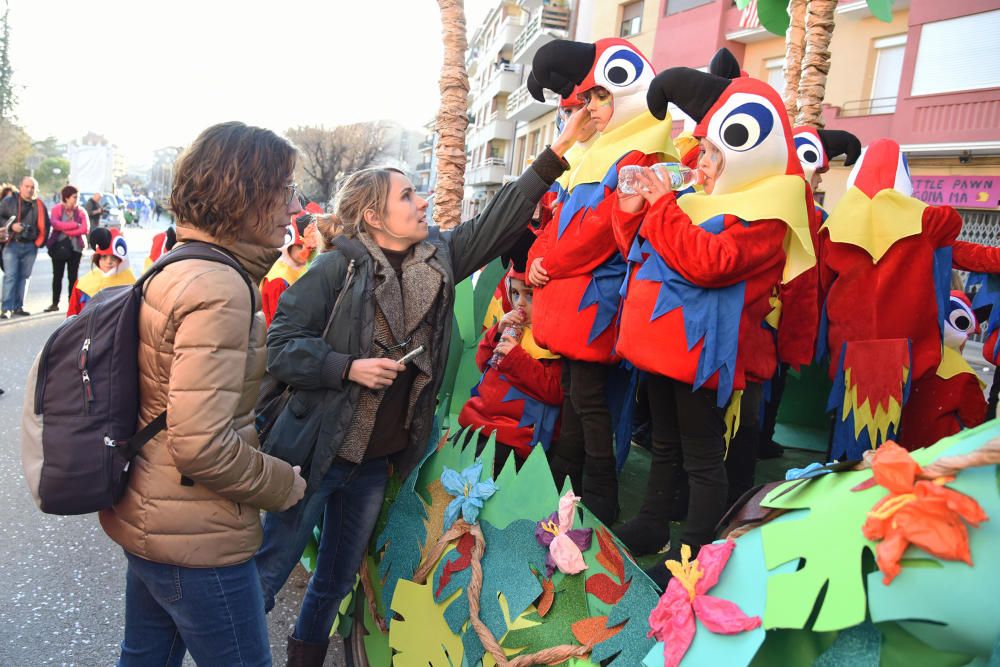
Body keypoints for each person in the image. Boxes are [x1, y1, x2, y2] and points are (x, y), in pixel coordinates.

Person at [255, 110, 580, 666]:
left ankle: (302, 660)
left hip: (375, 464)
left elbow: (498, 221)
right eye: (408, 196)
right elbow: (281, 346)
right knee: (268, 571)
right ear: (374, 217)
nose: (423, 202)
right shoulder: (335, 270)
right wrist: (346, 366)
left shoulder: (440, 258)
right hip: (314, 455)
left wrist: (556, 153)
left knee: (335, 580)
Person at [98, 122, 307, 667]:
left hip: (153, 513)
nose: (293, 207)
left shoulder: (179, 264)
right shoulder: (220, 288)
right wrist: (284, 485)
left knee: (144, 657)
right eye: (284, 190)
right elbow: (201, 443)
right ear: (246, 194)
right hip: (199, 537)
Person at [613, 60, 814, 586]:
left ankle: (694, 554)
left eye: (709, 153)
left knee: (702, 457)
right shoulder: (699, 201)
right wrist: (634, 207)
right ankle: (654, 523)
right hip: (663, 349)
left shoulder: (769, 213)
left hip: (703, 355)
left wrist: (661, 208)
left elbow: (709, 262)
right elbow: (638, 249)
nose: (699, 164)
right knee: (665, 443)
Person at [525, 38, 678, 525]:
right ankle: (562, 488)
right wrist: (536, 259)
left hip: (597, 299)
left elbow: (603, 235)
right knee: (576, 397)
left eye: (598, 95)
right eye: (587, 97)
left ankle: (600, 501)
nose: (589, 106)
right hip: (570, 299)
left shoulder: (644, 151)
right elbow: (557, 220)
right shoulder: (599, 152)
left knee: (590, 405)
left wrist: (552, 263)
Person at [458, 230, 562, 472]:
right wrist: (495, 333)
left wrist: (516, 357)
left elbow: (554, 391)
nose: (519, 303)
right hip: (477, 419)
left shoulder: (550, 341)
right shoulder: (513, 327)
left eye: (530, 295)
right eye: (515, 293)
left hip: (515, 435)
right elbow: (483, 364)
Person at [0, 176, 49, 318]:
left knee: (24, 277)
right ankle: (6, 308)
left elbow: (46, 225)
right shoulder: (9, 201)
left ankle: (18, 306)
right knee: (11, 276)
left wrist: (39, 242)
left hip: (30, 246)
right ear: (20, 187)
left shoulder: (39, 204)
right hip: (12, 244)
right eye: (27, 186)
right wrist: (11, 226)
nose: (29, 189)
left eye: (32, 187)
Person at [66, 228, 137, 316]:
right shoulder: (82, 284)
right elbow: (71, 316)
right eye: (104, 257)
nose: (108, 262)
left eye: (114, 258)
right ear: (98, 258)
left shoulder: (132, 285)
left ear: (122, 261)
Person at [260, 214, 315, 326]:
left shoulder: (303, 268)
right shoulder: (277, 280)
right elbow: (277, 323)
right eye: (300, 247)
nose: (305, 252)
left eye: (310, 249)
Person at [45, 185, 89, 312]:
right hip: (59, 247)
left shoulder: (81, 211)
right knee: (57, 276)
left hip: (76, 248)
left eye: (77, 197)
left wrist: (68, 231)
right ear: (66, 197)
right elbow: (55, 224)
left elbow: (85, 228)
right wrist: (74, 225)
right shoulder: (57, 209)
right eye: (74, 197)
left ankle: (72, 305)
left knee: (73, 277)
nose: (77, 199)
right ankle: (55, 303)